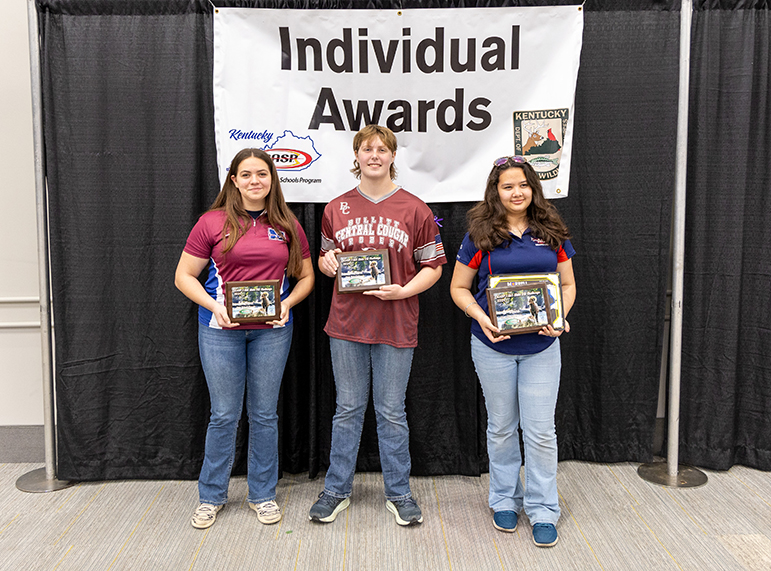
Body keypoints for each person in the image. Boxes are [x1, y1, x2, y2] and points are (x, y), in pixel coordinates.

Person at [309, 125, 446, 526]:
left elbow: (434, 267)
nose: (374, 155)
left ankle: (399, 492)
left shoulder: (414, 208)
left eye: (382, 149)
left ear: (392, 156)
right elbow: (324, 259)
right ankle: (336, 490)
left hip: (397, 322)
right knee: (347, 409)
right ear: (356, 156)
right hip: (347, 324)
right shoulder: (336, 208)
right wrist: (328, 263)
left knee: (391, 412)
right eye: (366, 149)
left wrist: (403, 292)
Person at [175, 148, 314, 529]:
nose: (256, 181)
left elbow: (307, 277)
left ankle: (263, 494)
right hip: (220, 332)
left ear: (272, 179)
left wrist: (288, 303)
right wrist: (213, 306)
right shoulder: (212, 222)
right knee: (223, 414)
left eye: (263, 174)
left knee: (265, 414)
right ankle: (211, 496)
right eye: (247, 174)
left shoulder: (286, 223)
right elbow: (184, 276)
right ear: (234, 180)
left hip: (273, 332)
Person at [449, 156, 576, 547]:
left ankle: (543, 509)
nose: (516, 192)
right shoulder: (479, 235)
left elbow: (567, 285)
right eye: (507, 186)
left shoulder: (552, 231)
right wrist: (481, 317)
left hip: (541, 347)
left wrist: (558, 315)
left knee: (540, 432)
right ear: (496, 191)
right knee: (502, 427)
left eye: (522, 184)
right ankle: (504, 498)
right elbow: (458, 288)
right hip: (492, 347)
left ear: (533, 188)